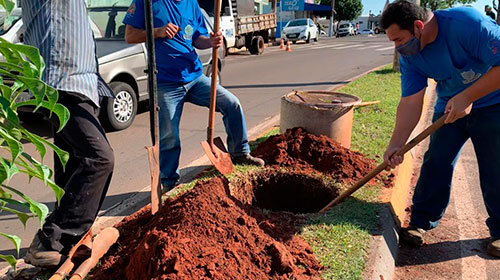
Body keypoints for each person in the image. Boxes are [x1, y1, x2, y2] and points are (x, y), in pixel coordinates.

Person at [380, 0, 500, 258]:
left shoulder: (468, 24)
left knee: (495, 166)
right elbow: (411, 100)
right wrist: (396, 143)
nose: (398, 47)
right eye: (393, 42)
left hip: (493, 102)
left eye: (399, 39)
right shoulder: (411, 55)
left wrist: (468, 96)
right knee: (436, 160)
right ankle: (420, 222)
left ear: (418, 26)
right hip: (449, 106)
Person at [123, 0, 264, 190]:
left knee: (232, 104)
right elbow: (130, 35)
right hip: (166, 83)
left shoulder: (192, 4)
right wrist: (158, 31)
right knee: (169, 135)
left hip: (195, 78)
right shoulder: (147, 3)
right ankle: (169, 182)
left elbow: (198, 38)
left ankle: (240, 153)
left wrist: (211, 41)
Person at [21, 0, 115, 267]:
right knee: (99, 158)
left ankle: (65, 241)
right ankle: (52, 241)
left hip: (78, 82)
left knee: (75, 162)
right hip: (62, 79)